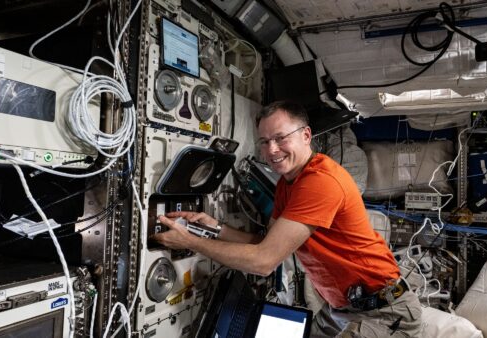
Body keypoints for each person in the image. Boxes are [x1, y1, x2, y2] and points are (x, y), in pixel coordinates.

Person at [153, 101, 421, 337]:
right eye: (265, 141)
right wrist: (216, 228)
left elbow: (264, 262)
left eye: (281, 138)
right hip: (343, 308)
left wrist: (189, 241)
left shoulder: (321, 181)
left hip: (384, 314)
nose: (272, 149)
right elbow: (267, 244)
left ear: (306, 135)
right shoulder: (287, 183)